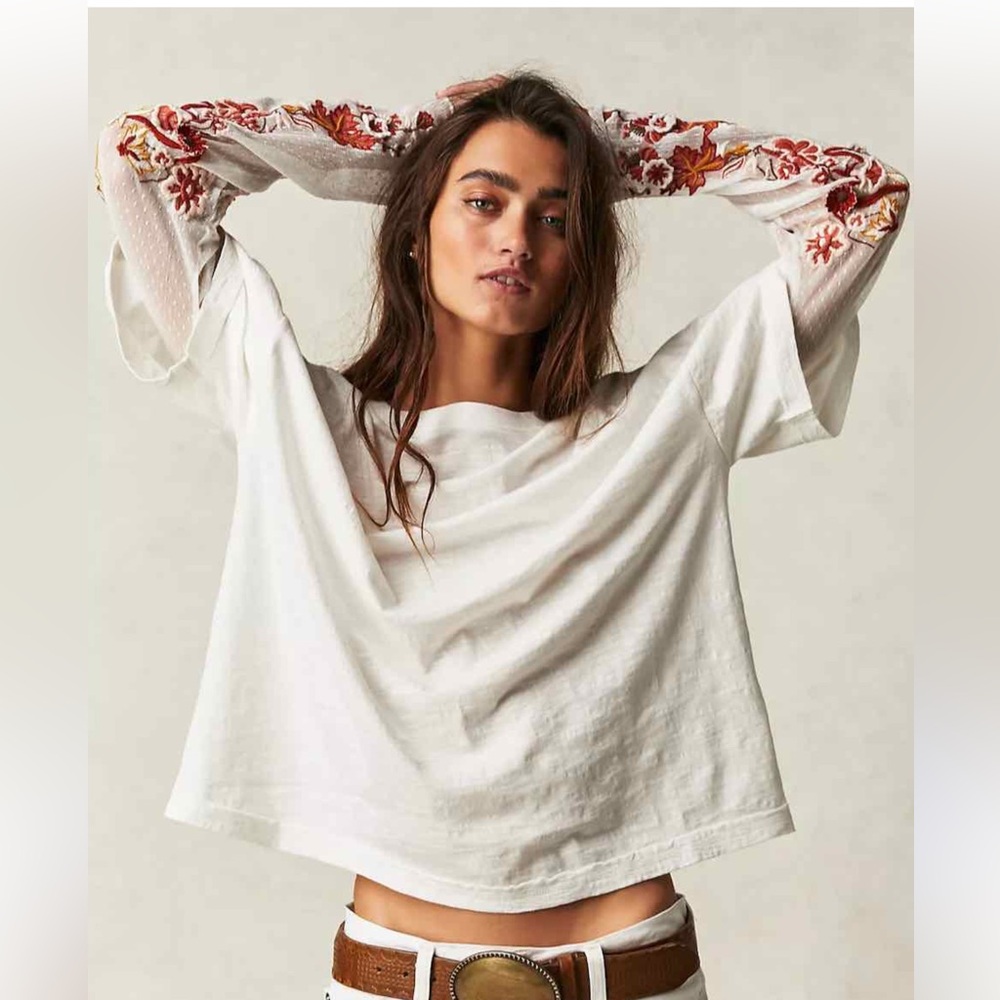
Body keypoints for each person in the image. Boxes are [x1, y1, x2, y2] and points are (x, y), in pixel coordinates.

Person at [94, 70, 910, 1000]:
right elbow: (142, 156)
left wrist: (599, 151)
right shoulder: (301, 424)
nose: (518, 238)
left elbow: (860, 198)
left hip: (631, 974)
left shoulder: (666, 420)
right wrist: (413, 145)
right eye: (482, 203)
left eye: (555, 218)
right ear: (415, 226)